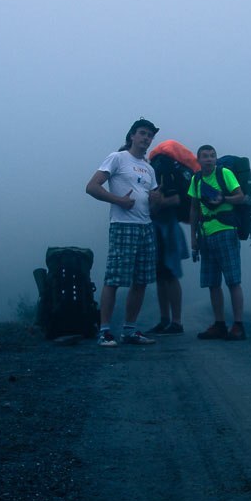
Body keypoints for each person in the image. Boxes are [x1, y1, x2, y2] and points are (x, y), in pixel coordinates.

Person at [85, 119, 162, 347]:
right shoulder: (117, 158)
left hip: (145, 226)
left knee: (141, 281)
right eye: (142, 133)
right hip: (123, 224)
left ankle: (130, 330)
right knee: (114, 279)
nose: (146, 138)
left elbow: (152, 203)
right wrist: (118, 200)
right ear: (131, 136)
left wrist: (157, 201)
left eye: (149, 135)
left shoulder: (149, 168)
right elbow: (92, 187)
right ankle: (105, 331)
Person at [188, 145, 247, 341]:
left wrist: (223, 199)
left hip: (226, 231)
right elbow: (194, 209)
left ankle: (238, 325)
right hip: (206, 235)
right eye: (205, 156)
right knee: (212, 283)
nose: (209, 159)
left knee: (233, 281)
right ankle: (220, 324)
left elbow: (240, 196)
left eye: (212, 156)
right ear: (198, 160)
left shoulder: (225, 173)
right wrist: (193, 238)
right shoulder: (196, 179)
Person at [149, 156, 189, 336]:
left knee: (170, 274)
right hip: (160, 229)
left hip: (168, 229)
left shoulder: (163, 172)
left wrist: (156, 204)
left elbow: (176, 199)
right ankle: (166, 320)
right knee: (161, 276)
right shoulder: (153, 172)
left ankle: (176, 321)